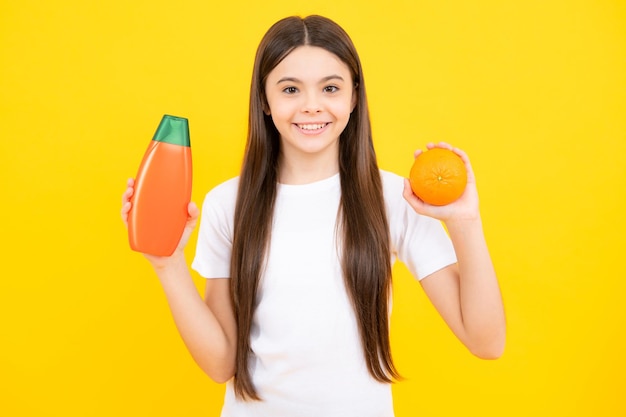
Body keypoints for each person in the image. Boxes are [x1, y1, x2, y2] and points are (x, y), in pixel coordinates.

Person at [121, 15, 505, 417]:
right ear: (265, 101)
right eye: (290, 89)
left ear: (354, 97)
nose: (311, 106)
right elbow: (221, 365)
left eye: (330, 88)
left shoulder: (394, 197)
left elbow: (486, 342)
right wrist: (168, 265)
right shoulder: (226, 204)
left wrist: (465, 222)